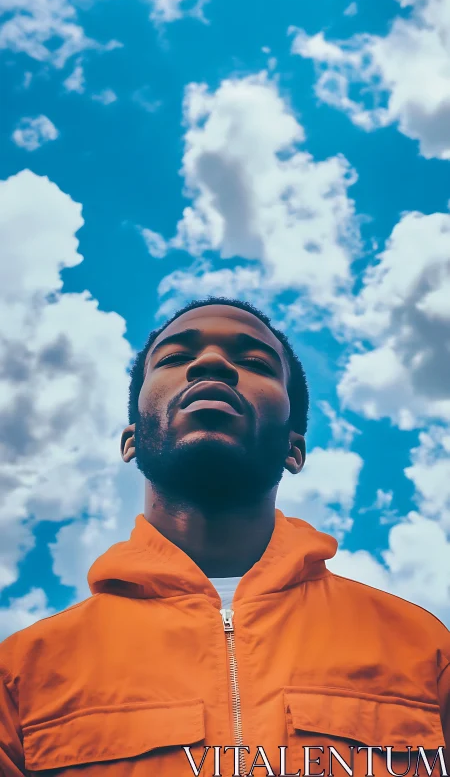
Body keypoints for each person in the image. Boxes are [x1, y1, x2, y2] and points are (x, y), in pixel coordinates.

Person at [0, 296, 449, 777]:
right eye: (174, 358)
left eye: (254, 362)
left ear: (293, 449)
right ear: (132, 439)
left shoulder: (424, 650)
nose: (210, 364)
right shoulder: (22, 675)